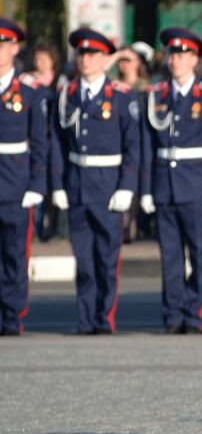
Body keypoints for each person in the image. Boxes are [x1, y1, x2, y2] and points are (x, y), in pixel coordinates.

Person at [50, 28, 140, 334]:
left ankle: (104, 318)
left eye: (91, 55)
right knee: (84, 260)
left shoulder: (120, 96)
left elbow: (133, 145)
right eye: (81, 54)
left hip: (108, 184)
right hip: (77, 182)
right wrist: (59, 184)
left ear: (105, 60)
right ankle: (86, 318)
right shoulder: (67, 95)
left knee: (106, 257)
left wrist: (127, 187)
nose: (85, 60)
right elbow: (57, 144)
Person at [138, 29, 202, 334]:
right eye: (172, 55)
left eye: (183, 55)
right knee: (171, 257)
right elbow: (147, 146)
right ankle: (173, 314)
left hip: (197, 185)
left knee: (200, 256)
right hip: (165, 185)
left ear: (194, 60)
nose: (176, 61)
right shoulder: (156, 96)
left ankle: (198, 313)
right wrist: (147, 190)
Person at [0, 19, 49, 335]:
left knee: (15, 257)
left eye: (4, 45)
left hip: (16, 184)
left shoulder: (30, 90)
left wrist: (36, 185)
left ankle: (12, 315)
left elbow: (42, 142)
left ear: (15, 49)